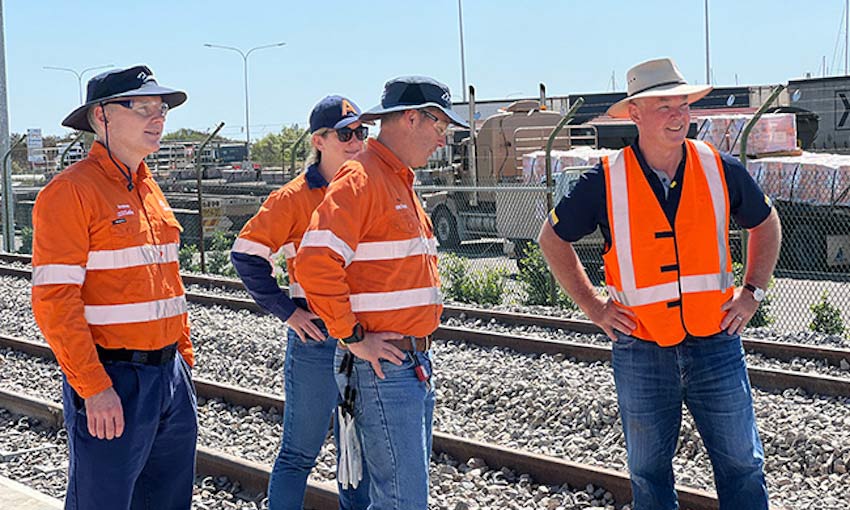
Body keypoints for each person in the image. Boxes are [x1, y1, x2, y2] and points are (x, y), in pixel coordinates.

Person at [538, 57, 780, 510]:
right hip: (642, 348)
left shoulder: (719, 168)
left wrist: (752, 294)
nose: (677, 115)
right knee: (649, 474)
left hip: (716, 342)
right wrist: (594, 307)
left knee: (742, 464)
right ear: (635, 114)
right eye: (663, 105)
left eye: (682, 104)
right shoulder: (605, 181)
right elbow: (551, 239)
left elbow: (767, 224)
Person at [295, 76, 468, 509]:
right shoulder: (362, 178)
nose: (442, 139)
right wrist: (353, 337)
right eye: (439, 126)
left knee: (401, 497)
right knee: (401, 501)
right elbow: (314, 264)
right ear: (412, 118)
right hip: (384, 366)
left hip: (408, 362)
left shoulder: (397, 179)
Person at [31, 65, 196, 510]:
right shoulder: (70, 193)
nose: (157, 118)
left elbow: (165, 283)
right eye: (141, 107)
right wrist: (93, 387)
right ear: (101, 116)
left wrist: (182, 359)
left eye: (161, 109)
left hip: (169, 378)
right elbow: (54, 301)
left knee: (167, 501)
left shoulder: (150, 190)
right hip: (113, 379)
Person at [230, 95, 371, 510]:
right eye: (346, 133)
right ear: (319, 140)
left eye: (362, 132)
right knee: (299, 453)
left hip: (366, 337)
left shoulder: (367, 188)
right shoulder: (292, 198)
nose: (356, 141)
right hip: (317, 341)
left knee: (356, 455)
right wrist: (287, 311)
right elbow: (245, 255)